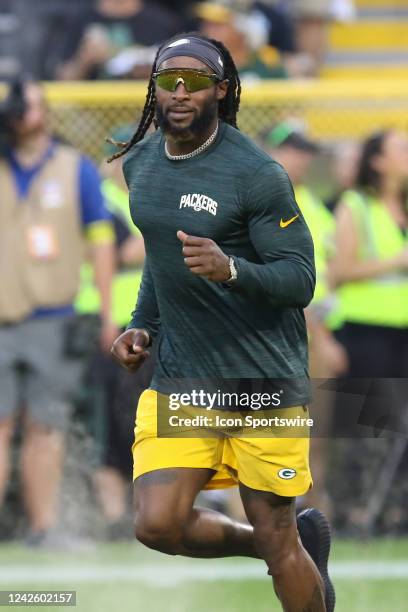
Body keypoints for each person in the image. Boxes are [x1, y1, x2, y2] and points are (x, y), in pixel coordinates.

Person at [110, 33, 335, 611]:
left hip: (261, 382)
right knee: (157, 525)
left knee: (278, 535)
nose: (181, 91)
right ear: (153, 89)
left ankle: (283, 550)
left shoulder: (257, 174)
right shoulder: (139, 162)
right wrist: (143, 324)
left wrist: (232, 269)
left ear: (223, 90)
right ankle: (269, 548)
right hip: (184, 380)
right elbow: (162, 257)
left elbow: (299, 279)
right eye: (168, 80)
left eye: (197, 81)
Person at [0, 81, 116, 546]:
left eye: (26, 105)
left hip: (55, 315)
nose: (21, 114)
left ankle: (44, 527)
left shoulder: (76, 169)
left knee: (46, 425)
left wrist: (108, 312)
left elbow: (102, 240)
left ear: (45, 113)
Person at [261, 121, 348, 520]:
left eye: (305, 150)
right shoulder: (263, 199)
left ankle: (314, 508)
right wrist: (322, 335)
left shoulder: (310, 202)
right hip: (281, 333)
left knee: (317, 426)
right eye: (294, 149)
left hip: (314, 332)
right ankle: (263, 510)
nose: (302, 159)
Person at [332, 130, 408, 431]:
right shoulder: (356, 205)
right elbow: (339, 270)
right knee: (366, 428)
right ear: (378, 162)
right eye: (402, 149)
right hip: (367, 333)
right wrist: (396, 261)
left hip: (403, 333)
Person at [54, 0, 184, 80]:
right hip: (91, 114)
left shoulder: (162, 22)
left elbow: (179, 78)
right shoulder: (80, 19)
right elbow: (62, 80)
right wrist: (84, 60)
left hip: (144, 113)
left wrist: (150, 70)